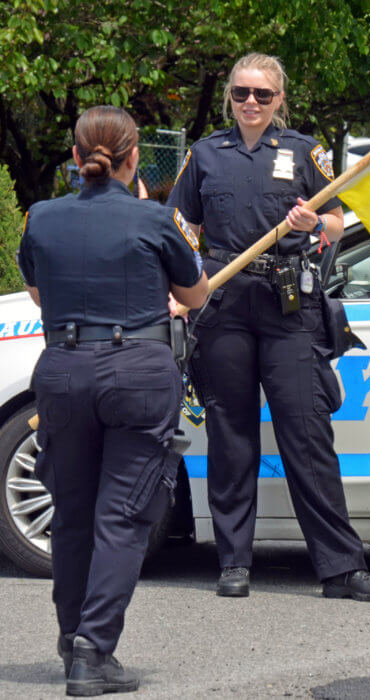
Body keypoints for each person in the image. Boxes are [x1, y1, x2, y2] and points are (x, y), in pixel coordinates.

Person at [167, 53, 370, 603]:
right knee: (231, 436)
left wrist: (315, 222)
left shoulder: (303, 151)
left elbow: (339, 219)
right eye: (242, 93)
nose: (251, 102)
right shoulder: (204, 155)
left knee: (307, 434)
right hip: (223, 307)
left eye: (262, 95)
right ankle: (233, 564)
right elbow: (180, 221)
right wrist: (191, 278)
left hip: (289, 305)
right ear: (229, 96)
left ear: (279, 99)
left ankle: (341, 569)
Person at [18, 106, 208, 696]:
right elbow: (195, 294)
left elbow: (37, 292)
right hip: (137, 373)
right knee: (122, 518)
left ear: (75, 159)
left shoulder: (41, 218)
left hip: (66, 371)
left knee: (72, 514)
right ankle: (91, 653)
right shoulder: (154, 219)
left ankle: (72, 634)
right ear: (132, 160)